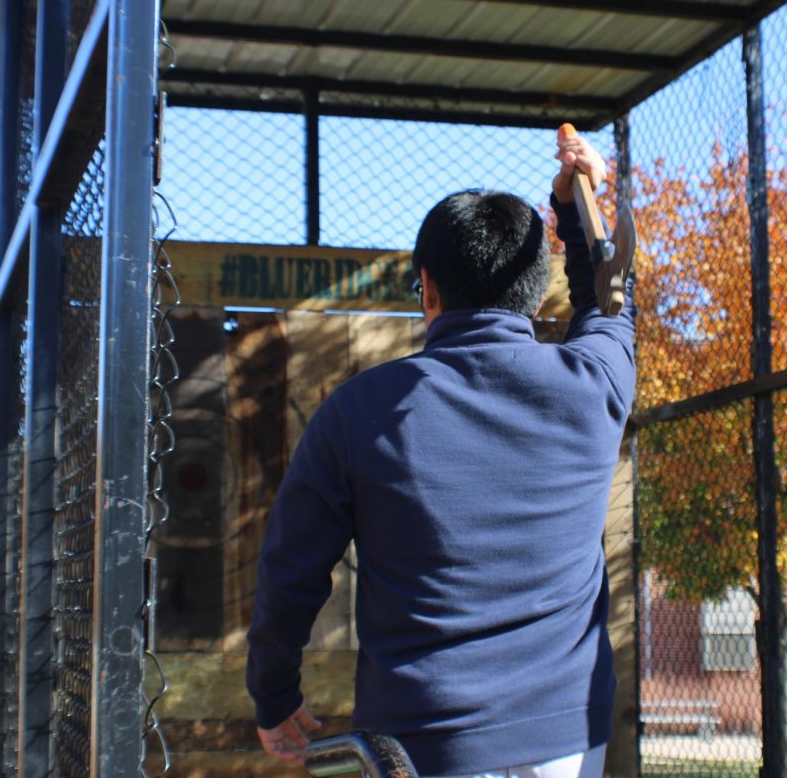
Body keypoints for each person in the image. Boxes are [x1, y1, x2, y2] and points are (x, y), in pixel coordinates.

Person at [246, 131, 635, 778]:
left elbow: (290, 571)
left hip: (420, 748)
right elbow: (609, 296)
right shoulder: (593, 386)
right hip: (568, 739)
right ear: (536, 297)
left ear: (427, 290)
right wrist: (581, 203)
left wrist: (274, 697)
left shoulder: (356, 412)